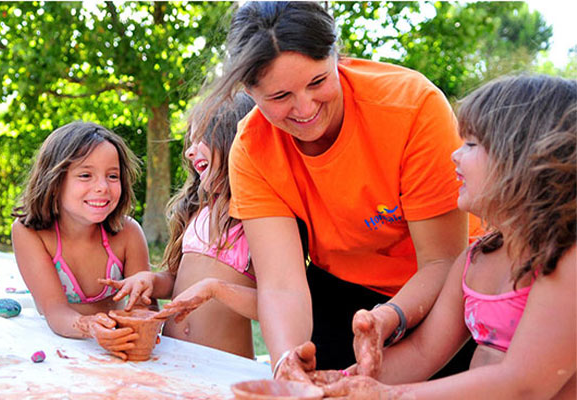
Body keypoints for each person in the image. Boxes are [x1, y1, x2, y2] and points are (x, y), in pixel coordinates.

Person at [193, 1, 479, 375]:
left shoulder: (413, 107)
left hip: (445, 289)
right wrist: (287, 362)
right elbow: (282, 285)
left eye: (318, 81)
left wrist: (391, 317)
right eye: (280, 97)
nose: (305, 108)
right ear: (249, 91)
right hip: (340, 290)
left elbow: (442, 261)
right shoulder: (250, 148)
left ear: (336, 57)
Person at [310, 75, 577, 398]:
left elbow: (524, 385)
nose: (455, 154)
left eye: (472, 144)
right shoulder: (475, 259)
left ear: (524, 161)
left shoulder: (565, 261)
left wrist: (386, 396)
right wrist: (337, 386)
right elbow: (422, 352)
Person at [101, 94, 260, 358]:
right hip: (175, 359)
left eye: (201, 139)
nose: (189, 151)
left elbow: (275, 304)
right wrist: (152, 280)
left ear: (235, 139)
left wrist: (216, 289)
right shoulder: (198, 211)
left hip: (225, 367)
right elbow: (177, 281)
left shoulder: (257, 219)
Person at [11, 121, 150, 361]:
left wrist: (134, 331)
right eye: (85, 175)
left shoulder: (128, 232)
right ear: (54, 181)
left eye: (112, 176)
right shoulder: (30, 233)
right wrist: (90, 327)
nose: (102, 187)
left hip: (116, 348)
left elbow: (142, 307)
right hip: (56, 347)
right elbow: (55, 310)